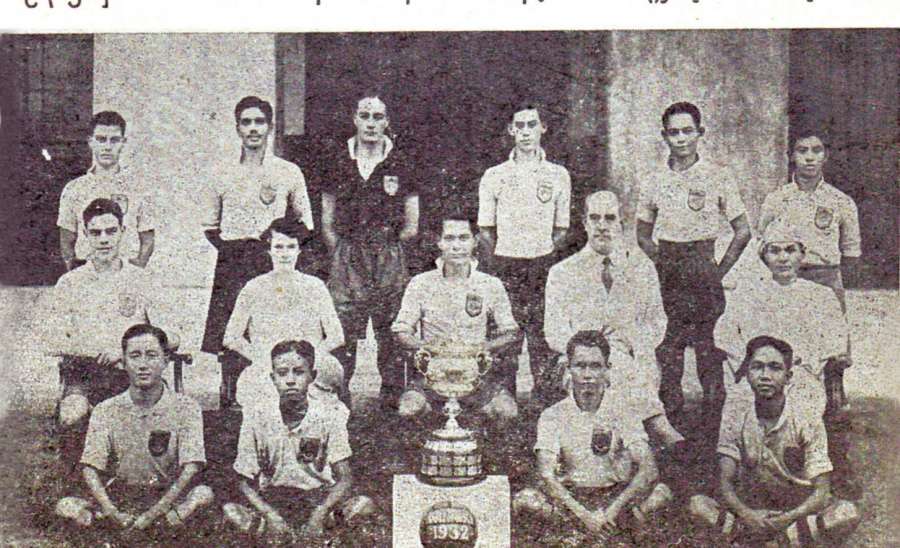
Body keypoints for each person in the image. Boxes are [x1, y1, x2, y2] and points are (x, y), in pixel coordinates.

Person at [714, 220, 859, 499]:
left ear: (802, 254)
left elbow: (836, 338)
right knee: (739, 402)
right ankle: (739, 477)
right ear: (764, 256)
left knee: (802, 406)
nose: (782, 258)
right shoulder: (747, 293)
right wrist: (746, 362)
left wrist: (808, 362)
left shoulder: (820, 295)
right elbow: (725, 333)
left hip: (800, 374)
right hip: (757, 374)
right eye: (775, 251)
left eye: (790, 250)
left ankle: (804, 477)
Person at [635, 101, 752, 441]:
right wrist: (662, 262)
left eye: (688, 131)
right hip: (669, 271)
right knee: (669, 353)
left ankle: (712, 435)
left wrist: (718, 271)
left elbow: (743, 231)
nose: (681, 138)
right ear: (664, 136)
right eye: (674, 132)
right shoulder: (654, 180)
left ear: (701, 133)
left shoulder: (718, 176)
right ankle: (673, 433)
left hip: (703, 268)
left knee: (709, 354)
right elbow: (642, 234)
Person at [544, 191, 687, 459]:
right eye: (595, 218)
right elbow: (553, 331)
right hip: (581, 362)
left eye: (609, 218)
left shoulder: (641, 268)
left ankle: (630, 452)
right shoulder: (562, 272)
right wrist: (591, 349)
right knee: (611, 367)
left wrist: (635, 345)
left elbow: (657, 321)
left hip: (634, 357)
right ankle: (657, 429)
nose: (602, 225)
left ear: (621, 224)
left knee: (628, 367)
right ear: (585, 223)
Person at [44, 198, 178, 471]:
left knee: (153, 416)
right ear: (85, 234)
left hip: (133, 372)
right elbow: (51, 339)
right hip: (84, 373)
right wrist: (94, 349)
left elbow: (173, 335)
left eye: (110, 231)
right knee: (72, 413)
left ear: (122, 232)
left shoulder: (142, 279)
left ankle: (142, 482)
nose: (104, 239)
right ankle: (78, 484)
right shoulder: (70, 283)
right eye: (95, 232)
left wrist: (125, 352)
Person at [689, 336, 860, 546]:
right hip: (752, 511)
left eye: (775, 368)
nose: (765, 376)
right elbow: (725, 480)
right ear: (747, 374)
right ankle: (755, 538)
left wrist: (786, 519)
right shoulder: (735, 415)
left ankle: (778, 542)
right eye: (757, 367)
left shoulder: (806, 418)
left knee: (846, 512)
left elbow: (821, 491)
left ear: (788, 377)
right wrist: (748, 514)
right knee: (698, 505)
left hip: (795, 515)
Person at [201, 96, 314, 409]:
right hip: (234, 259)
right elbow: (210, 226)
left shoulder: (287, 171)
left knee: (272, 324)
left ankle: (280, 393)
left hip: (271, 258)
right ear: (237, 128)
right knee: (233, 329)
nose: (253, 129)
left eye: (259, 122)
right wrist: (233, 251)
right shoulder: (221, 172)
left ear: (270, 127)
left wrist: (277, 244)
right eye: (246, 122)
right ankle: (231, 394)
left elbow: (305, 222)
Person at [513, 331, 672, 544]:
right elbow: (546, 474)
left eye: (596, 366)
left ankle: (619, 535)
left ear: (607, 369)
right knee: (524, 500)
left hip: (615, 499)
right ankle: (576, 535)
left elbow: (648, 468)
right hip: (574, 501)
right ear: (568, 368)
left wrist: (610, 513)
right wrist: (585, 517)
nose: (588, 374)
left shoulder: (624, 409)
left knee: (662, 493)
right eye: (580, 366)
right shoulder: (553, 415)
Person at [55, 324, 213, 537]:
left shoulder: (187, 408)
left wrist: (154, 513)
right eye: (135, 356)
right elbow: (90, 467)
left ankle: (158, 526)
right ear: (124, 362)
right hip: (122, 496)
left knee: (203, 494)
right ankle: (120, 524)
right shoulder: (106, 409)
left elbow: (191, 468)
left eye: (152, 356)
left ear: (165, 360)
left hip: (167, 495)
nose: (143, 365)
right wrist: (112, 511)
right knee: (65, 505)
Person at [320, 94, 418, 408]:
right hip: (348, 254)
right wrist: (344, 253)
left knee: (391, 331)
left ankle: (392, 400)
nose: (371, 124)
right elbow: (326, 220)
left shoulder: (401, 161)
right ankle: (338, 401)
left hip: (388, 252)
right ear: (355, 119)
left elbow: (412, 223)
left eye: (378, 117)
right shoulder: (338, 160)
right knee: (344, 329)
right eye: (365, 116)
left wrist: (388, 250)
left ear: (387, 121)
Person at [225, 340, 375, 542]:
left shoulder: (329, 415)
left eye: (298, 372)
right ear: (272, 378)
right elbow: (243, 481)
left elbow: (345, 477)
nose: (290, 380)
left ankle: (314, 536)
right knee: (231, 511)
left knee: (363, 505)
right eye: (282, 373)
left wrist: (320, 512)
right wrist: (269, 514)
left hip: (318, 497)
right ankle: (278, 535)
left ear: (312, 375)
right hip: (273, 498)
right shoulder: (256, 416)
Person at [477, 101, 571, 403]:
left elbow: (561, 229)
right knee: (506, 338)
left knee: (543, 338)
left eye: (532, 125)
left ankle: (546, 405)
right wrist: (504, 255)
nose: (526, 132)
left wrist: (541, 252)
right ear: (511, 130)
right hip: (506, 266)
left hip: (542, 266)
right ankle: (503, 403)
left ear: (543, 128)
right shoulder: (495, 175)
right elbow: (485, 230)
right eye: (520, 126)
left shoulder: (558, 175)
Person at [391, 208, 521, 422]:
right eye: (449, 238)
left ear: (475, 241)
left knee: (507, 411)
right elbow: (401, 331)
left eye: (463, 238)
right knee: (408, 409)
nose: (457, 246)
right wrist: (429, 347)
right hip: (434, 372)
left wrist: (482, 348)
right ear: (438, 242)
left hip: (475, 373)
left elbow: (511, 332)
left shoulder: (490, 284)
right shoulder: (421, 283)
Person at [223, 217, 344, 410]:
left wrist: (310, 358)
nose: (285, 253)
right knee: (262, 398)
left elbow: (336, 336)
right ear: (269, 250)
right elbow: (231, 337)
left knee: (322, 390)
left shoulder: (315, 286)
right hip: (267, 366)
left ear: (299, 250)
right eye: (279, 247)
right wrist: (263, 359)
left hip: (309, 365)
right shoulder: (253, 287)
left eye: (291, 247)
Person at [757, 127, 861, 313]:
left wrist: (835, 282)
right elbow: (761, 244)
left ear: (826, 155)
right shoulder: (776, 199)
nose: (810, 157)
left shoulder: (841, 201)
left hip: (826, 279)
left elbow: (851, 252)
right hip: (787, 280)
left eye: (817, 150)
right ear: (791, 156)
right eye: (802, 151)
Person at [57, 111, 155, 271]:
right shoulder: (74, 189)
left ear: (123, 142)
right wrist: (77, 273)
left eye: (114, 140)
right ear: (91, 142)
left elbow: (148, 239)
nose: (108, 147)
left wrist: (134, 271)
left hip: (125, 270)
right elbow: (66, 240)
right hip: (87, 269)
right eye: (101, 140)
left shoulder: (138, 188)